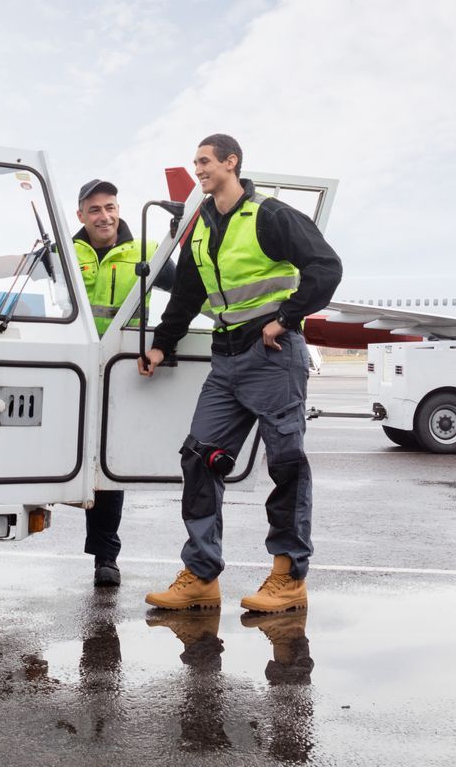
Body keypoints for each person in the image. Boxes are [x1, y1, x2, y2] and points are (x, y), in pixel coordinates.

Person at [141, 134, 341, 616]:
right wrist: (162, 345)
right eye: (195, 163)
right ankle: (202, 574)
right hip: (225, 358)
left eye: (205, 161)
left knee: (286, 464)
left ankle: (289, 576)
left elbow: (326, 268)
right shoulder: (203, 226)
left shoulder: (269, 215)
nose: (198, 169)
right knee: (199, 457)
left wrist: (287, 317)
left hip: (271, 353)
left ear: (232, 163)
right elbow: (186, 295)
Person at [71, 178, 174, 588]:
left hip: (118, 373)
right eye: (95, 209)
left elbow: (188, 292)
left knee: (105, 470)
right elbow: (20, 265)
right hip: (72, 370)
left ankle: (105, 558)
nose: (104, 216)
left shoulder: (148, 252)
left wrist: (166, 341)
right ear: (81, 215)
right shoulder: (68, 252)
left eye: (110, 207)